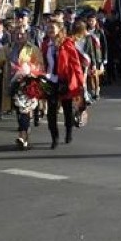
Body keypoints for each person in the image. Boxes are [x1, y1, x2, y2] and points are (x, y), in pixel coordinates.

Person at [0, 28, 44, 149]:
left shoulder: (33, 48)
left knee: (24, 110)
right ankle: (25, 138)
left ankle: (22, 136)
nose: (19, 36)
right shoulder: (7, 48)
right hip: (13, 84)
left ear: (27, 35)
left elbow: (40, 66)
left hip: (29, 84)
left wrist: (29, 70)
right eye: (16, 33)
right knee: (20, 112)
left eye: (22, 34)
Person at [42, 20, 85, 148]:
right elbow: (42, 62)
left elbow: (76, 64)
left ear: (60, 30)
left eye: (52, 28)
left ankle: (68, 132)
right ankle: (54, 138)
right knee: (51, 111)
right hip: (49, 81)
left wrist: (81, 83)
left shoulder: (67, 44)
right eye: (48, 27)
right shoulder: (45, 45)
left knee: (67, 109)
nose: (50, 30)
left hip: (64, 81)